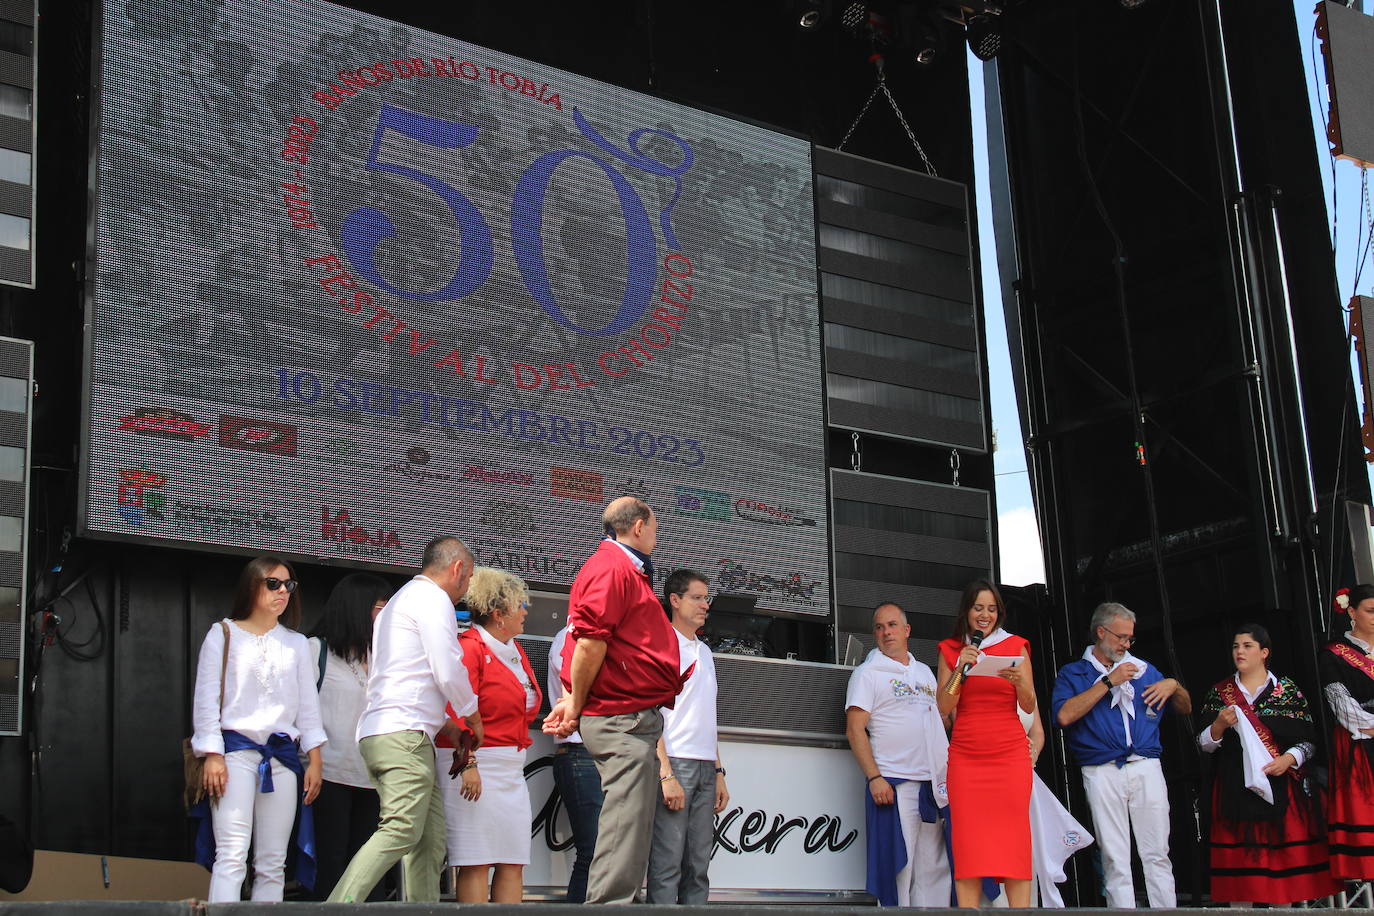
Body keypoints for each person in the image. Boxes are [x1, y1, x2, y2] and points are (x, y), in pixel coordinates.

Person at [543, 497, 690, 905]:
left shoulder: (625, 570)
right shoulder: (610, 568)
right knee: (624, 824)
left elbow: (592, 644)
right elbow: (589, 643)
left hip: (631, 716)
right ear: (639, 527)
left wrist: (574, 698)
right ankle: (607, 909)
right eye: (656, 528)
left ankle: (614, 904)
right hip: (618, 717)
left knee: (633, 825)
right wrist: (574, 704)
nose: (657, 536)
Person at [326, 536, 484, 903]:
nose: (468, 587)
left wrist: (448, 726)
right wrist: (472, 716)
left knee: (428, 843)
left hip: (391, 731)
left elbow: (405, 679)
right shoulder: (433, 600)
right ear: (458, 568)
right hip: (403, 736)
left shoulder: (400, 602)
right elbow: (447, 668)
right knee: (400, 830)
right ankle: (335, 909)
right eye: (470, 576)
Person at [190, 556, 325, 902]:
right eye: (273, 583)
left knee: (272, 863)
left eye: (289, 585)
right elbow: (207, 701)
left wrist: (315, 759)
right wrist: (212, 755)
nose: (283, 592)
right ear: (252, 585)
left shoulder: (296, 643)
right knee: (232, 856)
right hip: (234, 754)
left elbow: (308, 708)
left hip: (281, 758)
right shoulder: (223, 634)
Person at [1051, 601, 1191, 908]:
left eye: (1130, 639)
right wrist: (1107, 682)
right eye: (1121, 637)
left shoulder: (1143, 669)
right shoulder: (1074, 673)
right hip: (1101, 769)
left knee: (1157, 853)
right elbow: (1063, 716)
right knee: (1115, 857)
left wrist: (1173, 685)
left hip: (1146, 765)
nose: (1126, 644)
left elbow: (1185, 708)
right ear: (1100, 632)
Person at [1198, 623, 1337, 904]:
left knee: (1283, 881)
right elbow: (1203, 745)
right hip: (1234, 789)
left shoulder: (1286, 691)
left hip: (1281, 788)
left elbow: (1309, 741)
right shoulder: (1219, 693)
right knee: (1242, 883)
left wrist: (1289, 758)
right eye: (1236, 646)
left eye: (1247, 646)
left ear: (1264, 652)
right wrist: (1218, 726)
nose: (1239, 651)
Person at [437, 567, 543, 903]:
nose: (525, 610)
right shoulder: (468, 648)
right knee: (476, 862)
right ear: (498, 615)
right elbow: (455, 709)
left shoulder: (515, 649)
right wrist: (468, 762)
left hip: (510, 768)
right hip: (475, 764)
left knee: (513, 860)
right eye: (519, 605)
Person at [936, 579, 1036, 908]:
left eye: (991, 609)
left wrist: (1021, 682)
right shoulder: (951, 649)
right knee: (969, 846)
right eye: (979, 608)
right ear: (967, 611)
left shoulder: (1016, 645)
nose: (985, 615)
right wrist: (961, 669)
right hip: (967, 759)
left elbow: (1029, 705)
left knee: (1013, 845)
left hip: (1008, 757)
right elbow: (944, 707)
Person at [845, 601, 951, 908]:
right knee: (898, 872)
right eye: (879, 627)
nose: (885, 632)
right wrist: (874, 777)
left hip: (932, 788)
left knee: (933, 871)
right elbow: (855, 730)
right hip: (893, 786)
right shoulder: (867, 674)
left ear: (907, 631)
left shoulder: (925, 674)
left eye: (892, 625)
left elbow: (940, 722)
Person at [305, 572, 394, 902]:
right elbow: (301, 714)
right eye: (381, 607)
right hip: (328, 776)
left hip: (375, 778)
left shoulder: (382, 658)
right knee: (331, 865)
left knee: (372, 872)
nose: (387, 617)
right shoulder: (316, 650)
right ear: (356, 607)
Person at [647, 570, 729, 905]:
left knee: (698, 865)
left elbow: (707, 718)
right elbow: (650, 714)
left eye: (706, 598)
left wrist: (719, 772)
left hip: (705, 765)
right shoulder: (660, 644)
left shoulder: (706, 652)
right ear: (675, 600)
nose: (704, 605)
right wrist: (665, 772)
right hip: (675, 762)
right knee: (667, 864)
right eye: (696, 597)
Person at [547, 624, 604, 903]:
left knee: (608, 854)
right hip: (580, 751)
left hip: (603, 753)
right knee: (592, 851)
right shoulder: (568, 637)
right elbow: (580, 687)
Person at [1321, 584, 1374, 881]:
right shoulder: (1334, 654)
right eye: (1370, 611)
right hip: (1361, 741)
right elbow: (1342, 705)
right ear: (1352, 612)